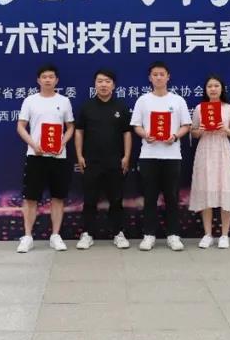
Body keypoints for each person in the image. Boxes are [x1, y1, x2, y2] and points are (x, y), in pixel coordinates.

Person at [130, 61, 192, 251]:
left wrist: (175, 136)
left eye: (162, 74)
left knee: (172, 197)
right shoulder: (143, 100)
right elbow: (136, 125)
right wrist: (145, 134)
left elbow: (186, 125)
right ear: (150, 78)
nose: (158, 77)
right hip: (149, 155)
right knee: (149, 197)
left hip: (172, 156)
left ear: (168, 77)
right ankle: (149, 235)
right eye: (155, 74)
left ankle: (173, 235)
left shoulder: (178, 100)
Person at [15, 63, 74, 252]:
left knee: (58, 197)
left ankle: (55, 235)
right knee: (31, 198)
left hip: (58, 156)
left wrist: (62, 143)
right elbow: (20, 127)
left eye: (51, 77)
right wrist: (34, 145)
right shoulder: (30, 101)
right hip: (36, 155)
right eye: (44, 77)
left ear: (57, 80)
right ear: (38, 80)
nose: (48, 80)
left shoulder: (64, 101)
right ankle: (27, 236)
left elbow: (70, 127)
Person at [74, 69, 133, 249]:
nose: (103, 85)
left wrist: (127, 156)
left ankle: (118, 233)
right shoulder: (87, 107)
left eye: (107, 81)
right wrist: (79, 155)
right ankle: (87, 233)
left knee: (116, 199)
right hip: (91, 161)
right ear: (95, 84)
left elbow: (127, 133)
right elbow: (79, 131)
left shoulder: (121, 107)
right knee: (90, 199)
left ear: (113, 85)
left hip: (115, 161)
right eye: (100, 81)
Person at [189, 75, 230, 249]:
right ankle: (208, 234)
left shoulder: (229, 109)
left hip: (222, 151)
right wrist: (199, 130)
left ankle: (224, 235)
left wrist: (226, 129)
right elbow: (193, 132)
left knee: (225, 189)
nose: (213, 89)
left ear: (221, 88)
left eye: (216, 85)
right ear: (205, 90)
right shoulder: (199, 108)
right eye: (209, 86)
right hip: (205, 151)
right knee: (206, 190)